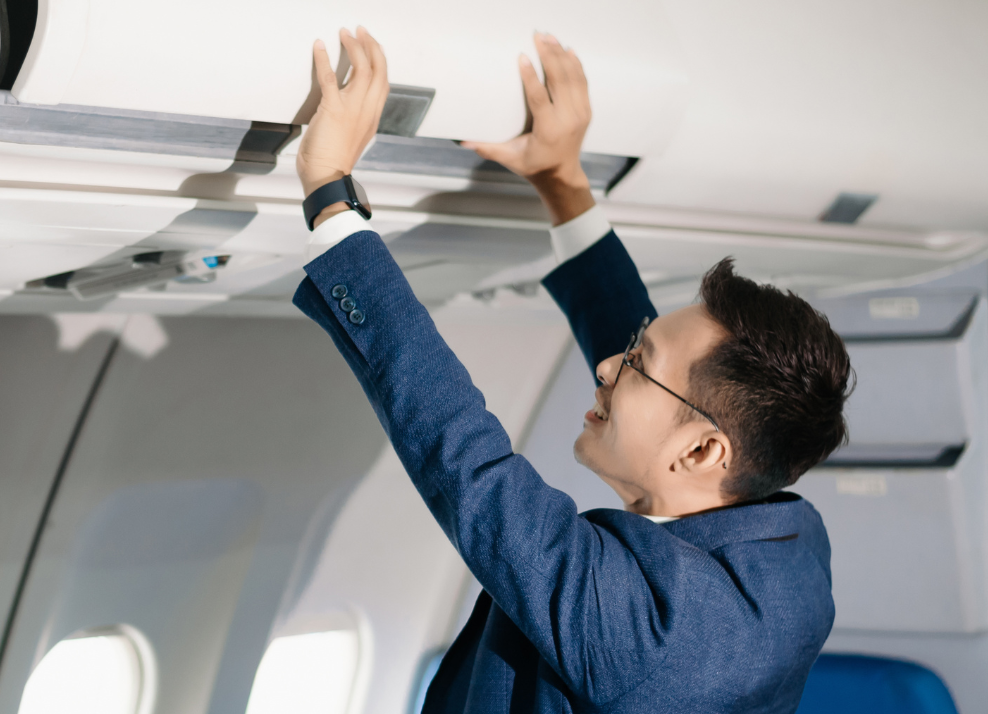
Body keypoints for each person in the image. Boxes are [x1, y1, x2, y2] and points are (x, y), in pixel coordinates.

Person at [292, 27, 853, 713]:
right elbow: (677, 385)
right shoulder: (785, 551)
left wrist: (330, 194)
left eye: (635, 364)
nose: (610, 362)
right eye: (635, 346)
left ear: (704, 450)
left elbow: (468, 465)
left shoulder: (663, 643)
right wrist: (562, 180)